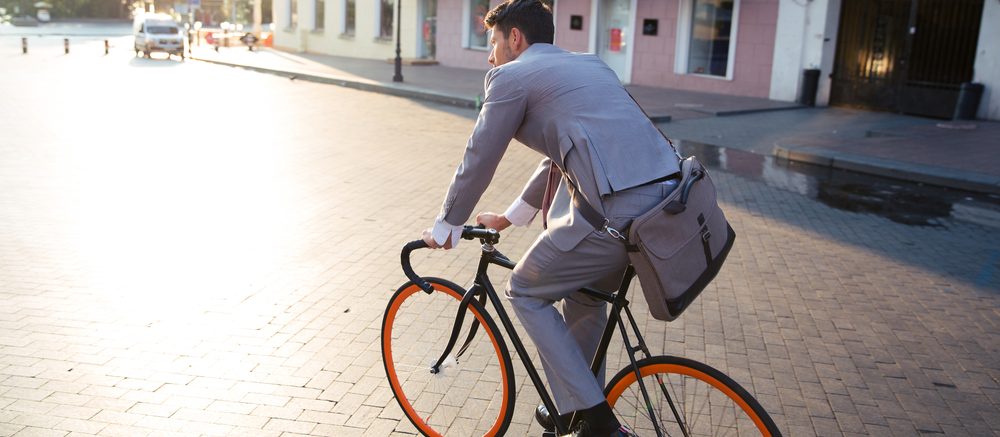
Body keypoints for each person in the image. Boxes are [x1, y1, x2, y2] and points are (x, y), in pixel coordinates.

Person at [419, 1, 681, 435]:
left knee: (524, 290)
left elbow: (480, 154)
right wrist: (510, 216)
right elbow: (562, 156)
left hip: (614, 219)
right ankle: (573, 411)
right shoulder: (590, 66)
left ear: (515, 38)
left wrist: (447, 225)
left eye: (493, 43)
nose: (490, 57)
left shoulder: (512, 76)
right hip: (664, 210)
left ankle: (597, 422)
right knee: (583, 298)